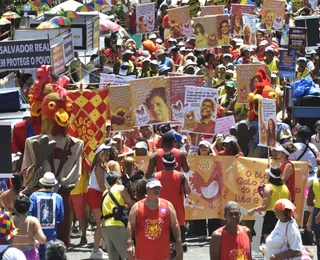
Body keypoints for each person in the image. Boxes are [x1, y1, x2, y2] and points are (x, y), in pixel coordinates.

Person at [126, 178, 182, 260]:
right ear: (147, 189)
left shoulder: (167, 205)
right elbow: (130, 225)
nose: (156, 190)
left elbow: (174, 225)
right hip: (142, 255)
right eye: (153, 188)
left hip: (163, 254)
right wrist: (129, 244)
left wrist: (178, 242)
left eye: (158, 187)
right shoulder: (137, 207)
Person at [154, 152, 191, 260]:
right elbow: (188, 191)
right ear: (175, 163)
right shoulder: (181, 176)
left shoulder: (155, 176)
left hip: (159, 214)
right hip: (178, 215)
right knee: (178, 244)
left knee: (160, 244)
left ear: (163, 163)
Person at [87, 144, 120, 260]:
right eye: (106, 151)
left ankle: (98, 249)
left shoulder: (100, 166)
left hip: (97, 194)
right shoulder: (100, 167)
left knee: (101, 223)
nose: (108, 153)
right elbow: (101, 185)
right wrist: (111, 194)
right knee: (100, 223)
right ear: (102, 154)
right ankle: (95, 250)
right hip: (96, 194)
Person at [29, 172, 64, 260]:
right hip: (51, 235)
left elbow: (29, 214)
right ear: (53, 185)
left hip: (36, 234)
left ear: (42, 183)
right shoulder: (58, 197)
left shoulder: (33, 196)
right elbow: (60, 218)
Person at [248, 167, 290, 240]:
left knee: (268, 240)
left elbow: (264, 206)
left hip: (271, 216)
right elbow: (289, 202)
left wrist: (253, 210)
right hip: (284, 215)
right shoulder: (285, 187)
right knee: (282, 239)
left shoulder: (268, 188)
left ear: (270, 176)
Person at [101, 172, 133, 260]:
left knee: (113, 257)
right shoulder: (121, 188)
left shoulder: (105, 192)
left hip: (105, 226)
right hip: (116, 225)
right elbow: (131, 205)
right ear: (118, 180)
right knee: (129, 255)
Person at [12, 194, 46, 260]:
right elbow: (42, 240)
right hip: (30, 254)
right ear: (28, 207)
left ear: (15, 208)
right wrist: (35, 240)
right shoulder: (33, 221)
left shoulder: (10, 220)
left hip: (14, 254)